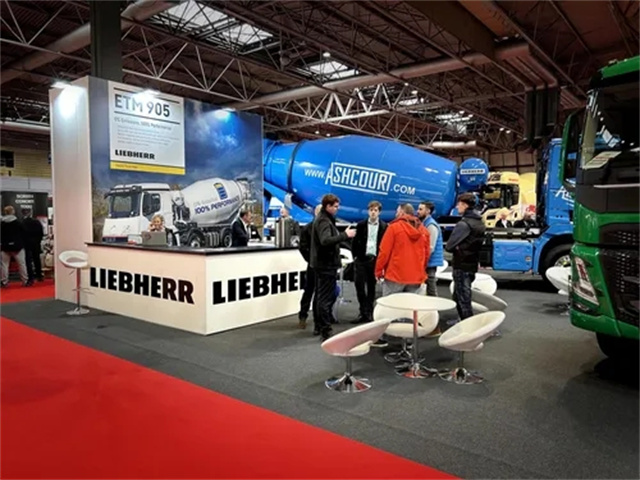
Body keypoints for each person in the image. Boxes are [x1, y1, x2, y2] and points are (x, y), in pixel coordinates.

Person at [310, 194, 356, 340]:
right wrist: (345, 235)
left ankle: (320, 326)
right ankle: (325, 329)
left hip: (322, 264)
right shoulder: (324, 221)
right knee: (325, 298)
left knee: (320, 296)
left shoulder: (323, 219)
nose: (337, 209)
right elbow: (325, 241)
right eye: (335, 206)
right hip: (326, 265)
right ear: (328, 206)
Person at [445, 193, 486, 322]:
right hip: (472, 263)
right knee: (461, 295)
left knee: (462, 297)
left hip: (461, 264)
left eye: (459, 204)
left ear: (465, 205)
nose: (457, 207)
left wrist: (457, 248)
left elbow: (449, 246)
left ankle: (467, 324)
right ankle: (463, 321)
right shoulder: (479, 222)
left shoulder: (463, 224)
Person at [375, 204, 430, 297]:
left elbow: (384, 252)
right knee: (411, 305)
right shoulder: (424, 231)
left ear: (401, 212)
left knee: (390, 304)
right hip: (415, 277)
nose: (395, 214)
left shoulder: (393, 228)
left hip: (395, 275)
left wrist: (378, 271)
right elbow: (426, 254)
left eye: (397, 211)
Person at [350, 201, 387, 324]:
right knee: (359, 286)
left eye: (375, 210)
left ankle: (369, 312)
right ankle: (362, 311)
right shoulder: (361, 225)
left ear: (379, 212)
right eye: (371, 210)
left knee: (372, 287)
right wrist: (355, 257)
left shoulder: (384, 226)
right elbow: (354, 242)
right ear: (368, 211)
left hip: (375, 260)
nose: (373, 212)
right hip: (361, 259)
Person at [297, 204, 322, 330]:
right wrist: (310, 259)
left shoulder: (327, 227)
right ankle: (303, 315)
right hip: (312, 265)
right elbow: (302, 247)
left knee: (320, 293)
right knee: (309, 291)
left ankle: (319, 319)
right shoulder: (308, 228)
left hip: (323, 265)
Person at [417, 201, 443, 297]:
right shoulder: (425, 223)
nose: (418, 211)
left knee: (430, 286)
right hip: (428, 261)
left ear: (428, 211)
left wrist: (422, 261)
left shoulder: (431, 225)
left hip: (430, 262)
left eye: (420, 209)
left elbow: (430, 247)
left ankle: (434, 304)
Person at [1, 206, 29, 287]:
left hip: (5, 246)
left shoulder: (2, 223)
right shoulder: (18, 223)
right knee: (22, 264)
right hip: (18, 246)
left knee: (4, 265)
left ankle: (4, 282)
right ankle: (25, 281)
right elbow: (25, 233)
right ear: (13, 212)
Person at [21, 208, 44, 283]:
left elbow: (21, 234)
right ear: (31, 213)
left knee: (28, 261)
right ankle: (39, 275)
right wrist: (38, 241)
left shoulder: (22, 223)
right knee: (37, 259)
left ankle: (30, 277)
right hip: (36, 243)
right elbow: (41, 233)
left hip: (26, 244)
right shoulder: (37, 222)